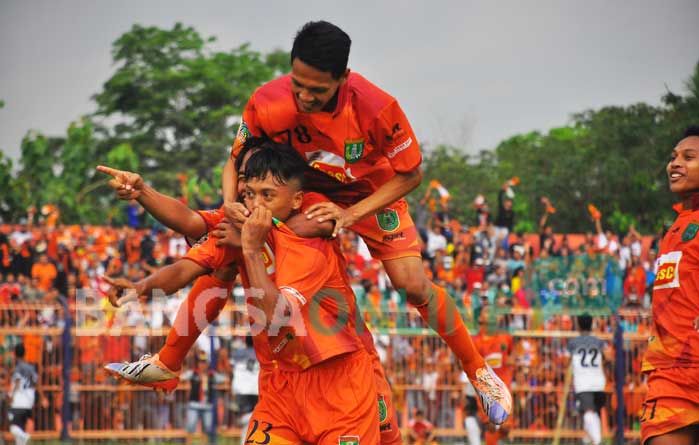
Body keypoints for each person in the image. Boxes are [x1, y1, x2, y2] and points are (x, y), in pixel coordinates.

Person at [221, 19, 510, 425]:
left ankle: (478, 369)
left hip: (370, 193)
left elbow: (411, 174)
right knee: (222, 239)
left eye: (317, 90)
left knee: (411, 284)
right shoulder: (268, 101)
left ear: (343, 78)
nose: (304, 96)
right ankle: (170, 358)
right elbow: (235, 159)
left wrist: (351, 214)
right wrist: (229, 201)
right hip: (308, 194)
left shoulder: (377, 108)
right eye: (297, 84)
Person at [103, 141, 383, 444]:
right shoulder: (237, 224)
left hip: (339, 378)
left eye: (267, 194)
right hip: (280, 385)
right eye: (249, 191)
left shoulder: (309, 237)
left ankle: (167, 362)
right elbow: (185, 259)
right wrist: (141, 286)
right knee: (220, 269)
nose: (255, 204)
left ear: (296, 199)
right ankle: (167, 362)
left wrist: (250, 247)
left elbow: (278, 314)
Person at [640, 126, 699, 445]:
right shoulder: (674, 228)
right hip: (671, 377)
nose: (674, 163)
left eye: (689, 157)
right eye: (673, 156)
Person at [566, 314, 609, 445]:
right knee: (592, 412)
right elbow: (608, 356)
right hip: (599, 382)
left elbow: (567, 360)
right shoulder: (599, 341)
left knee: (588, 413)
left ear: (578, 325)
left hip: (583, 383)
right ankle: (588, 439)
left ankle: (597, 441)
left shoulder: (573, 343)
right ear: (591, 324)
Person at [472, 307, 514, 445]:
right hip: (486, 390)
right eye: (486, 312)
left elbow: (511, 355)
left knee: (506, 428)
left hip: (504, 390)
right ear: (481, 319)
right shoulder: (475, 342)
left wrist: (511, 363)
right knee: (491, 428)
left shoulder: (505, 338)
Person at [8, 344, 38, 445]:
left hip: (18, 402)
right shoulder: (32, 367)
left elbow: (17, 382)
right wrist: (42, 398)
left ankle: (25, 436)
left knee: (13, 428)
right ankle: (23, 438)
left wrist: (11, 396)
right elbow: (36, 383)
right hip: (28, 402)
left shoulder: (18, 368)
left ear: (15, 354)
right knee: (20, 432)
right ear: (25, 354)